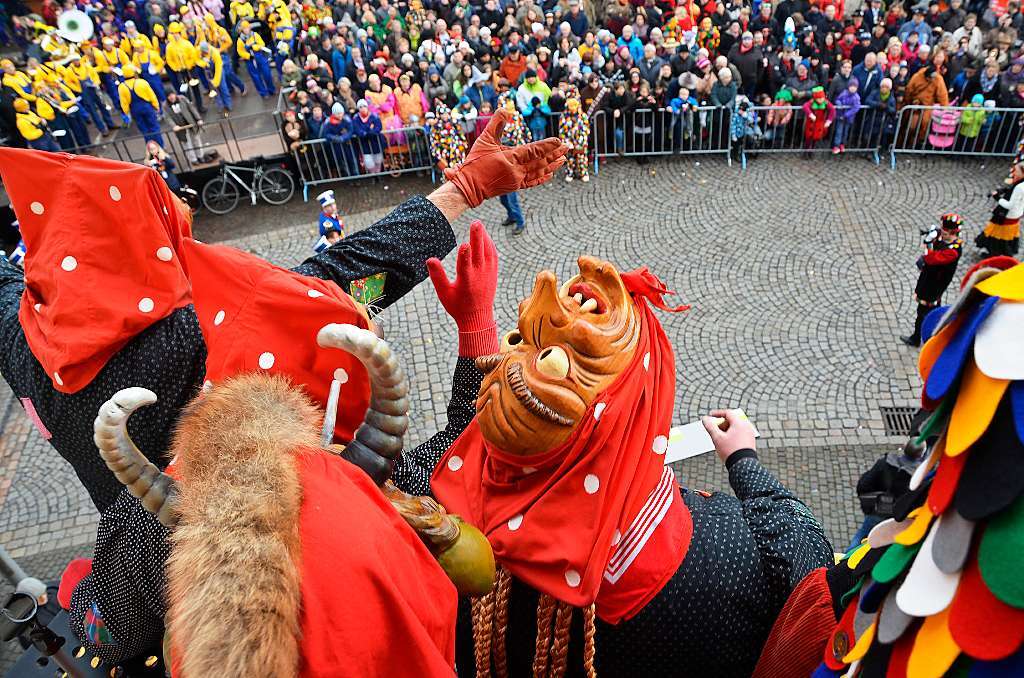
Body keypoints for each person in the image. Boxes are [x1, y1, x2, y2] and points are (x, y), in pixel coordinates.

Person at [901, 212, 964, 346]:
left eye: (945, 232)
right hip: (930, 279)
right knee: (930, 310)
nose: (942, 233)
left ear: (952, 233)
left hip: (934, 285)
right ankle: (926, 335)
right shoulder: (945, 240)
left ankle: (920, 338)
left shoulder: (953, 251)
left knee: (923, 313)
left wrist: (928, 242)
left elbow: (930, 258)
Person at [977, 162, 1024, 256]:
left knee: (997, 237)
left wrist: (997, 197)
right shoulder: (1020, 184)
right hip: (1015, 215)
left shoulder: (1019, 187)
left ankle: (994, 254)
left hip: (1008, 215)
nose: (1013, 172)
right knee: (1002, 237)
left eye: (1016, 171)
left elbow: (1010, 205)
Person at [118, 64, 163, 146]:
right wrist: (156, 106)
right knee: (154, 127)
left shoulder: (122, 87)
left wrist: (127, 112)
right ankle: (160, 147)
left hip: (135, 110)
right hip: (147, 107)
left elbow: (124, 103)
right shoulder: (141, 82)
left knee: (145, 131)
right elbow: (152, 95)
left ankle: (151, 149)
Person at [558, 86, 590, 183]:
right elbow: (561, 131)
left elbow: (586, 129)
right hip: (570, 142)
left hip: (580, 141)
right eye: (570, 105)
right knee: (570, 159)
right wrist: (567, 142)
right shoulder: (564, 117)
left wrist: (581, 140)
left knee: (582, 158)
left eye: (574, 105)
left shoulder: (583, 116)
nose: (573, 108)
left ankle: (583, 172)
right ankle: (570, 172)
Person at [236, 19, 275, 97]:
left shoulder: (255, 35)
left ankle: (271, 90)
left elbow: (262, 44)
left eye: (247, 27)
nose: (246, 30)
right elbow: (240, 51)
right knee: (256, 78)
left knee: (267, 73)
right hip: (250, 60)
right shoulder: (240, 40)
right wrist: (248, 56)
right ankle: (263, 93)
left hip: (259, 56)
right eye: (244, 28)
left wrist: (255, 47)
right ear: (242, 30)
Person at [831, 76, 860, 153]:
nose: (852, 88)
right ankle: (836, 145)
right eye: (851, 86)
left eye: (854, 87)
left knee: (845, 132)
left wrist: (847, 114)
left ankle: (842, 144)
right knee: (838, 131)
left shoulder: (856, 97)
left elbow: (856, 108)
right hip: (840, 116)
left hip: (848, 118)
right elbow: (837, 99)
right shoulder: (844, 93)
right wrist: (839, 103)